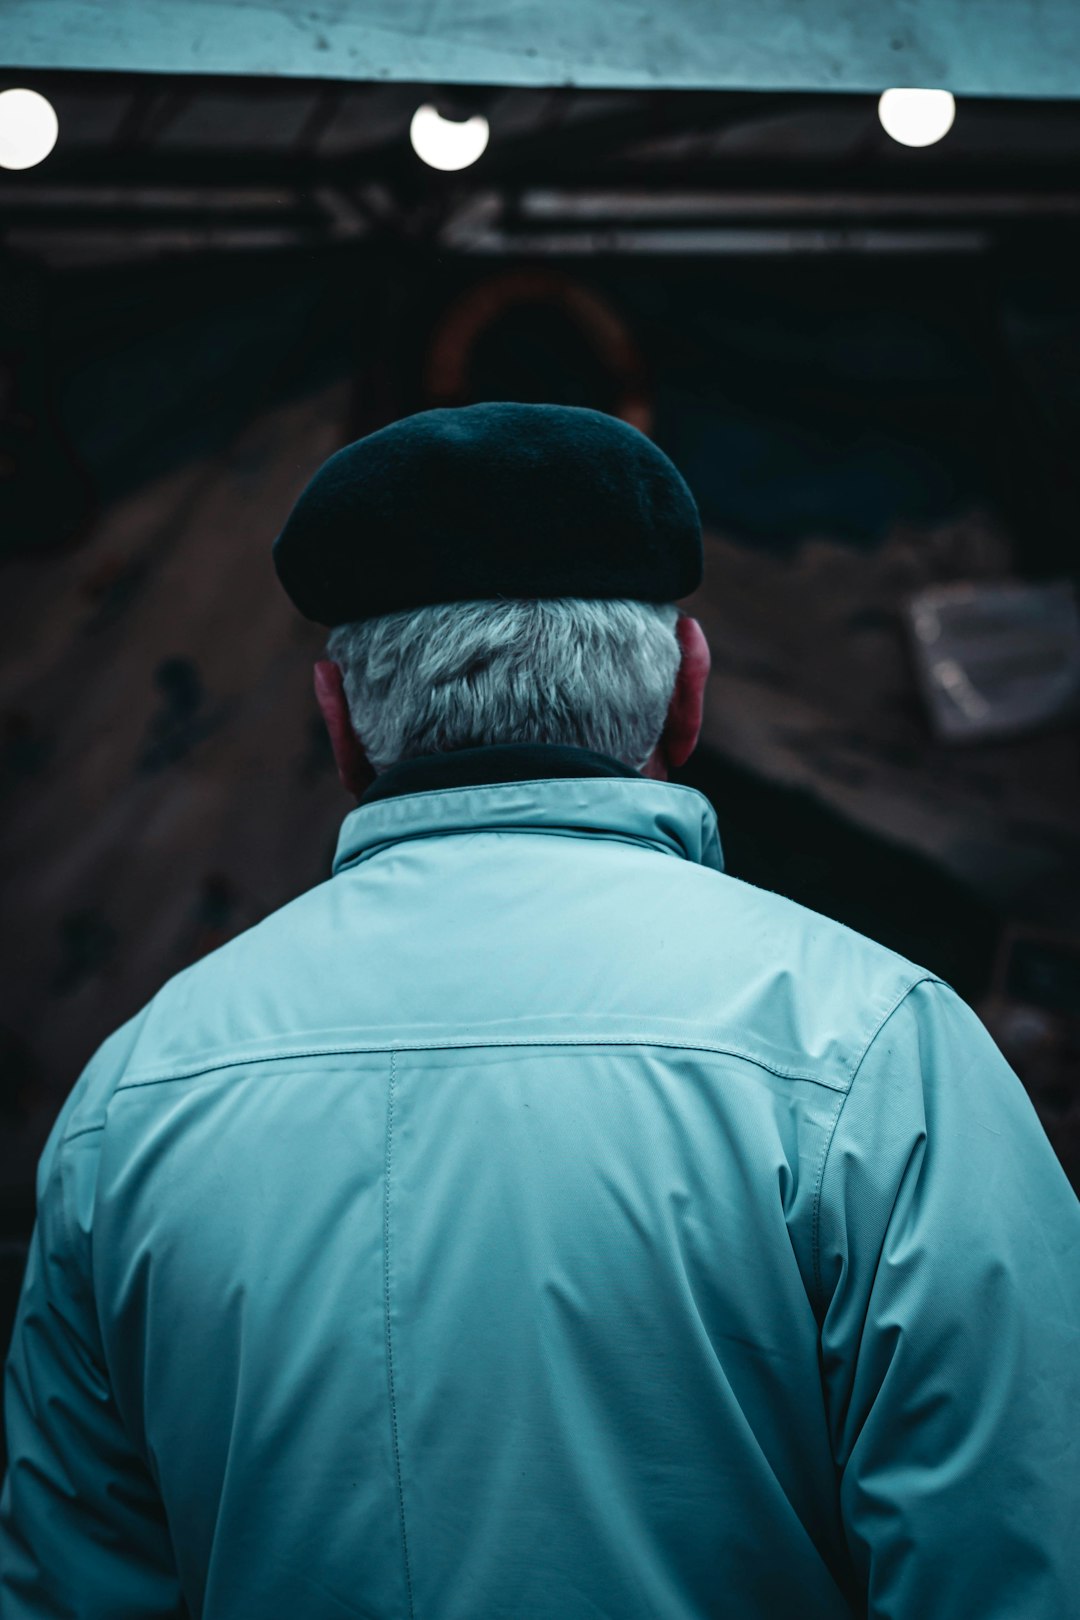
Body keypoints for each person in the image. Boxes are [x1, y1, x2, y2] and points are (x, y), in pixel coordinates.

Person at [1, 401, 1077, 1620]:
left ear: (338, 721)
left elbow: (73, 1592)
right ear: (688, 693)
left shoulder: (136, 1092)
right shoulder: (878, 1047)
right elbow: (1010, 1564)